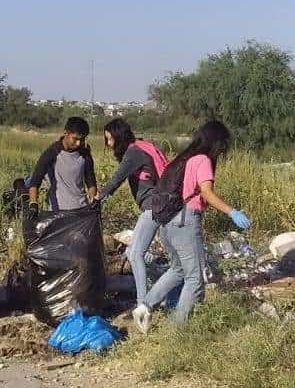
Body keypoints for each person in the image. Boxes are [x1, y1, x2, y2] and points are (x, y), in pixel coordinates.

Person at [131, 120, 252, 332]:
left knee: (178, 270)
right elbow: (206, 193)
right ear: (216, 142)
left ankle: (145, 306)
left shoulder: (185, 158)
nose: (223, 149)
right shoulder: (203, 160)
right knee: (195, 278)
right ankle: (180, 329)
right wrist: (231, 211)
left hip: (168, 223)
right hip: (186, 222)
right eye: (223, 144)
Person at [99, 117, 169, 305]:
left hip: (153, 207)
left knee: (136, 253)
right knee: (133, 254)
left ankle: (143, 302)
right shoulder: (142, 146)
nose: (108, 143)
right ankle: (160, 287)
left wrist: (98, 200)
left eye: (110, 138)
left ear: (118, 137)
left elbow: (116, 179)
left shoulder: (134, 152)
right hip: (158, 206)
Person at [28, 117, 98, 212]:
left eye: (82, 139)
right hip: (58, 212)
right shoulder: (52, 152)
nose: (78, 143)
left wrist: (93, 202)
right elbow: (35, 181)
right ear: (66, 133)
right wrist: (33, 204)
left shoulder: (85, 154)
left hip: (82, 210)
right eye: (75, 139)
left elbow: (91, 181)